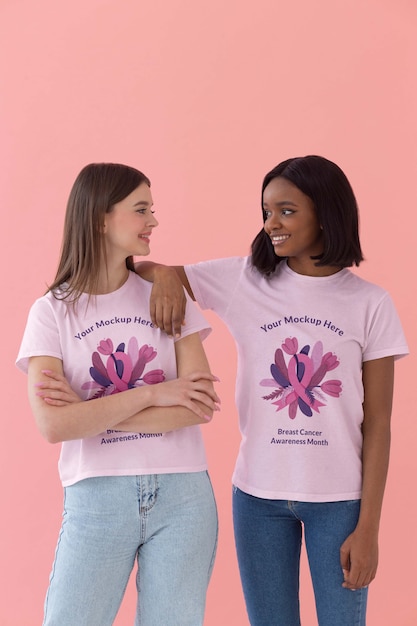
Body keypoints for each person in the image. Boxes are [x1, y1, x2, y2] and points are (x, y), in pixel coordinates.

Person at [135, 155, 409, 626]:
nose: (270, 224)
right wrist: (163, 276)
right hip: (257, 498)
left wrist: (369, 528)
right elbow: (147, 269)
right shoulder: (244, 279)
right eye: (266, 212)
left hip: (339, 502)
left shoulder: (370, 303)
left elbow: (379, 422)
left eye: (286, 210)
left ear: (325, 212)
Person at [16, 163, 220, 626]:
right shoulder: (51, 313)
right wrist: (157, 394)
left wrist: (88, 412)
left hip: (183, 496)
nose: (154, 221)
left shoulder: (167, 296)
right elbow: (54, 425)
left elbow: (199, 406)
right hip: (96, 497)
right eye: (141, 209)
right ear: (100, 219)